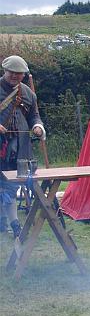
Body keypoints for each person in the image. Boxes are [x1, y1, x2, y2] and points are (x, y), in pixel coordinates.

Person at [0, 55, 45, 238]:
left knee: (10, 186)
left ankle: (13, 223)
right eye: (12, 73)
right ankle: (8, 221)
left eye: (19, 74)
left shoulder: (28, 93)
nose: (15, 76)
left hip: (19, 149)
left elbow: (34, 116)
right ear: (5, 70)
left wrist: (37, 127)